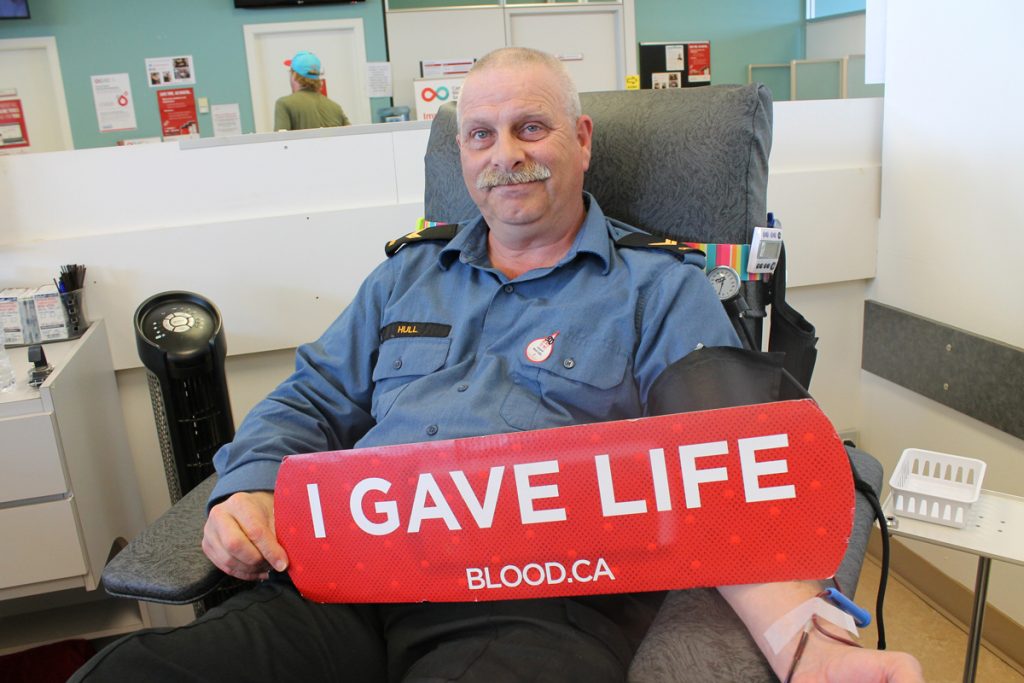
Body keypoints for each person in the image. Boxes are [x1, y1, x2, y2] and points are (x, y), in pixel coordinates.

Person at [72, 48, 923, 682]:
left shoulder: (661, 290)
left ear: (581, 140)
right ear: (461, 157)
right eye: (480, 134)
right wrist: (247, 485)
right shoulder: (405, 273)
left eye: (531, 127)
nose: (504, 153)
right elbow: (311, 397)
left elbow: (727, 466)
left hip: (536, 599)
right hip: (347, 575)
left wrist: (802, 639)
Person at [273, 50, 350, 131]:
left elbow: (280, 141)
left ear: (294, 75)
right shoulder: (335, 107)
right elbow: (351, 135)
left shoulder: (284, 104)